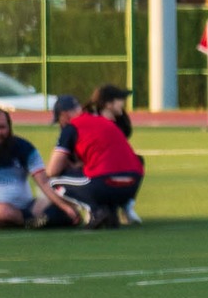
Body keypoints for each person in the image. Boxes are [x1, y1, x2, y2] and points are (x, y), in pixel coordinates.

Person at [0, 106, 82, 229]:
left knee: (63, 200)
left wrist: (65, 207)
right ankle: (42, 220)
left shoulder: (25, 148)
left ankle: (46, 219)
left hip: (27, 206)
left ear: (9, 127)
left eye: (2, 127)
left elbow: (43, 182)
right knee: (1, 213)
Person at [45, 85, 145, 227]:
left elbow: (52, 171)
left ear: (64, 115)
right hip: (131, 186)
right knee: (94, 177)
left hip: (105, 182)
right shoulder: (103, 121)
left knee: (53, 182)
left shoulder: (72, 126)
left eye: (59, 120)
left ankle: (95, 211)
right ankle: (115, 211)